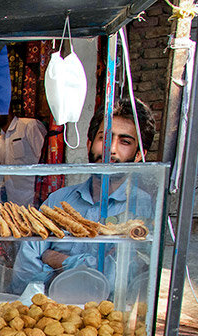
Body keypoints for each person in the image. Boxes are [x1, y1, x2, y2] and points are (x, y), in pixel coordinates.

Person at [10, 99, 156, 294]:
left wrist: (58, 260)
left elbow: (122, 281)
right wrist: (91, 268)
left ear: (139, 155)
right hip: (49, 312)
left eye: (125, 142)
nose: (110, 149)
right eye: (103, 138)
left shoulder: (143, 208)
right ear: (89, 143)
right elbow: (24, 272)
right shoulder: (57, 201)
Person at [0, 114, 47, 205]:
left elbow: (44, 160)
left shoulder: (29, 125)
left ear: (7, 109)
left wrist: (41, 192)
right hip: (13, 203)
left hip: (34, 200)